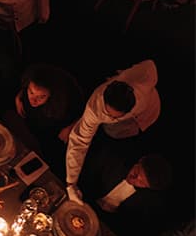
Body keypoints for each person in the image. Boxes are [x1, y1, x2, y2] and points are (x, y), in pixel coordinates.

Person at [65, 61, 161, 201]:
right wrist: (71, 183)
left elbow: (151, 64)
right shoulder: (95, 108)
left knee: (123, 142)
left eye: (113, 117)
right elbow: (79, 141)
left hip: (149, 112)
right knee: (108, 133)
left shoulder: (144, 78)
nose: (108, 116)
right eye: (107, 113)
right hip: (117, 125)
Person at [13, 64, 85, 168]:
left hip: (51, 133)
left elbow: (83, 113)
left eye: (41, 97)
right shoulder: (33, 79)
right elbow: (25, 86)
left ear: (51, 94)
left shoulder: (65, 103)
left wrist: (71, 127)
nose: (33, 100)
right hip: (31, 125)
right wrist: (19, 96)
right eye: (31, 92)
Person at [94, 152, 172, 236]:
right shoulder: (113, 160)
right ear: (140, 160)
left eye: (142, 182)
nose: (134, 179)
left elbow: (128, 229)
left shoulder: (148, 203)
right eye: (136, 172)